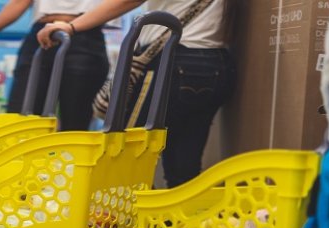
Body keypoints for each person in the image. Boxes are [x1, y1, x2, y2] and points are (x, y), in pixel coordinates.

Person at [38, 0, 236, 188]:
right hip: (215, 63)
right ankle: (178, 221)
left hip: (172, 59)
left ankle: (136, 219)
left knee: (126, 155)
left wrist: (71, 27)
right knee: (184, 167)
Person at [0, 0, 110, 131]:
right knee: (20, 118)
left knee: (75, 123)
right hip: (41, 34)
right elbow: (19, 2)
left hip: (85, 34)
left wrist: (71, 27)